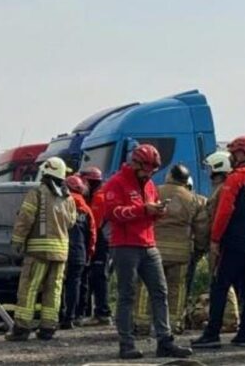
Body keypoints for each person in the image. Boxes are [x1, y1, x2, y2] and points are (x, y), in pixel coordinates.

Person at [104, 144, 192, 359]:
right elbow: (114, 213)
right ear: (134, 163)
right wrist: (144, 209)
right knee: (127, 295)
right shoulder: (116, 183)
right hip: (125, 246)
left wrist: (157, 212)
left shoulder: (151, 185)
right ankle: (126, 344)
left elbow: (146, 214)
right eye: (146, 168)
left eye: (153, 169)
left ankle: (165, 341)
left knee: (160, 292)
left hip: (148, 244)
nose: (149, 173)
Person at [192, 136, 245, 349]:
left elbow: (224, 211)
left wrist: (215, 240)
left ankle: (212, 334)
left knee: (219, 287)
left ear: (240, 154)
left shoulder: (235, 179)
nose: (230, 156)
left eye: (232, 152)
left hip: (234, 244)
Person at [5, 157, 77, 342]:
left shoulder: (37, 193)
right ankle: (48, 328)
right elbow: (71, 223)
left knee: (29, 288)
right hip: (61, 252)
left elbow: (25, 219)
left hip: (38, 252)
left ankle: (21, 328)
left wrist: (17, 242)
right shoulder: (68, 198)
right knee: (53, 290)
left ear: (45, 173)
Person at [133, 164, 207, 335]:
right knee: (177, 287)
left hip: (152, 249)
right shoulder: (195, 199)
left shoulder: (154, 191)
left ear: (170, 176)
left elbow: (141, 216)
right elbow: (202, 228)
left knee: (145, 286)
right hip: (180, 253)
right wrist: (199, 249)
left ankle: (141, 323)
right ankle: (173, 323)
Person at [200, 151, 240, 333]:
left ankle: (230, 319)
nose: (208, 172)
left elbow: (216, 217)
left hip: (219, 242)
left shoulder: (221, 190)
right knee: (221, 281)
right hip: (223, 241)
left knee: (220, 281)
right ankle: (228, 318)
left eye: (210, 168)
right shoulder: (222, 188)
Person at [60, 175, 96, 330]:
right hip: (79, 253)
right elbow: (92, 234)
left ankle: (57, 316)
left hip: (60, 250)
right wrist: (88, 254)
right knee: (74, 284)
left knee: (57, 285)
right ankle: (70, 317)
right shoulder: (86, 210)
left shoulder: (61, 204)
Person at [79, 166, 113, 326]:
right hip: (99, 239)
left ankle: (103, 312)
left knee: (99, 275)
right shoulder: (96, 195)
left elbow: (94, 223)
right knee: (94, 275)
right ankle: (96, 311)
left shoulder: (99, 197)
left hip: (101, 240)